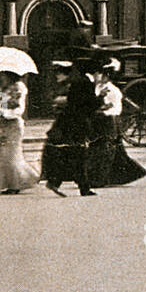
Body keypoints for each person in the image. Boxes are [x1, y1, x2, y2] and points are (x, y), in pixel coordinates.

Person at [41, 59, 98, 197]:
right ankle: (81, 187)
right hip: (78, 123)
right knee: (78, 155)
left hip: (66, 122)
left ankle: (58, 182)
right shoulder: (85, 83)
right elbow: (89, 104)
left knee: (70, 154)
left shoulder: (74, 83)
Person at [88, 62, 146, 187]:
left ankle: (99, 179)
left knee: (105, 151)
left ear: (106, 76)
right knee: (114, 152)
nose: (96, 76)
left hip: (109, 120)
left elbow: (110, 107)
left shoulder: (110, 90)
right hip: (102, 120)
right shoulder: (99, 87)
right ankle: (123, 175)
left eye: (98, 74)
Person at [0, 72, 40, 194]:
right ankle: (10, 183)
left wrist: (4, 113)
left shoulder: (19, 87)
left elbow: (19, 110)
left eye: (3, 75)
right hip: (3, 125)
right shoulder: (2, 90)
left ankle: (16, 184)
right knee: (3, 156)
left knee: (11, 155)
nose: (0, 78)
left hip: (13, 125)